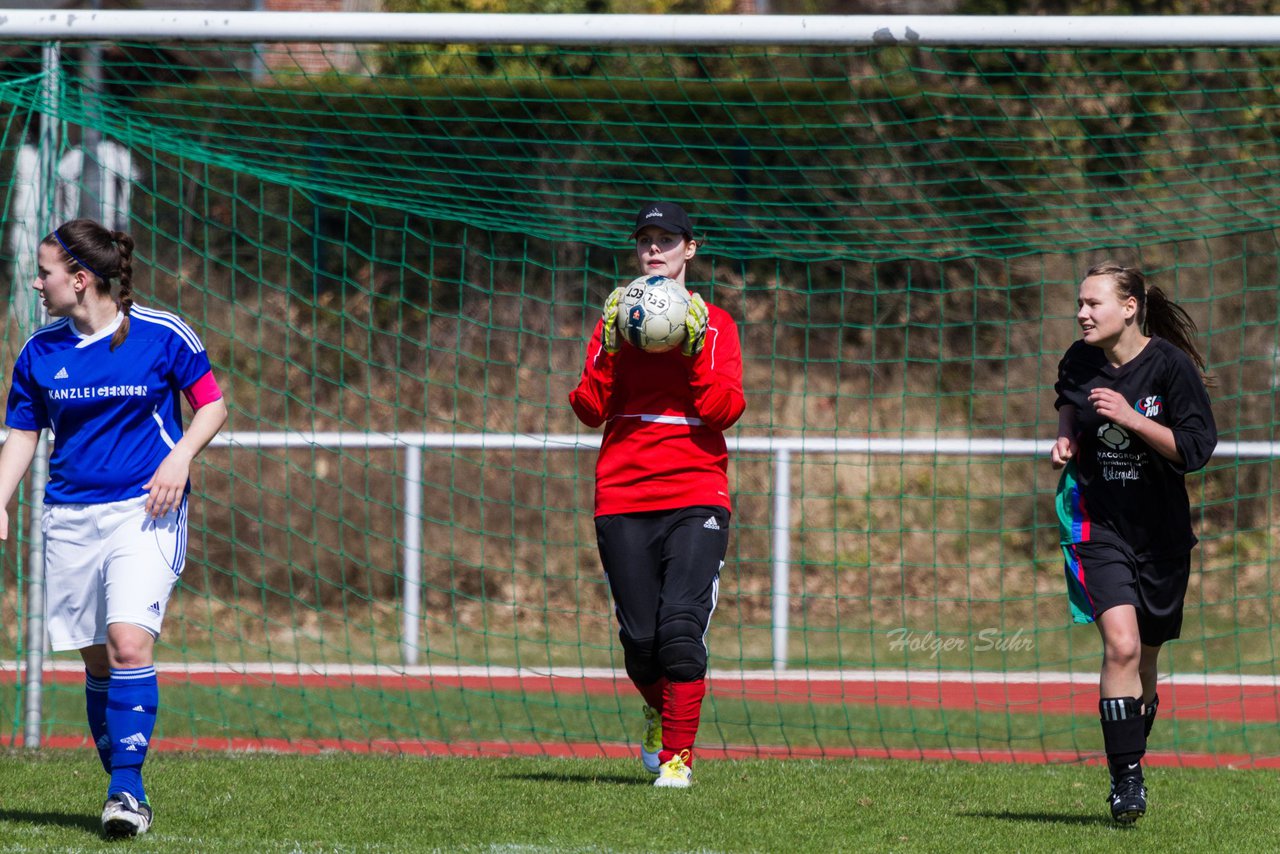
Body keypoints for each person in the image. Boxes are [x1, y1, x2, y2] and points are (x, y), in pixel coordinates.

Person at [0, 218, 228, 838]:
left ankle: (126, 793)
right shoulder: (38, 351)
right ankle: (126, 786)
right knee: (99, 663)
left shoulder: (161, 334)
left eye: (44, 272)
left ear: (79, 279)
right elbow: (24, 430)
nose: (37, 282)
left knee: (130, 642)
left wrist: (180, 458)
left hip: (146, 510)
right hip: (69, 518)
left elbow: (211, 404)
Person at [569, 201, 745, 788]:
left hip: (696, 490)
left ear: (690, 250)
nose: (654, 249)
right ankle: (656, 709)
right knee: (642, 643)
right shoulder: (614, 318)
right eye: (645, 239)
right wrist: (613, 350)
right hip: (621, 493)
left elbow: (725, 411)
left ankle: (677, 759)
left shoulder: (714, 323)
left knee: (679, 630)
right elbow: (589, 410)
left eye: (667, 240)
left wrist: (693, 352)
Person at [1051, 261, 1216, 824]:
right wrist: (1067, 434)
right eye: (1079, 302)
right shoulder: (1080, 358)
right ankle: (1126, 781)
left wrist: (1132, 419)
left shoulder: (1170, 368)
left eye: (1093, 303)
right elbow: (1069, 397)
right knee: (1118, 647)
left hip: (1162, 534)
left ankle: (1133, 738)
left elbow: (1195, 451)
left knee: (1145, 658)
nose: (1081, 313)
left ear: (1129, 308)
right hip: (1100, 527)